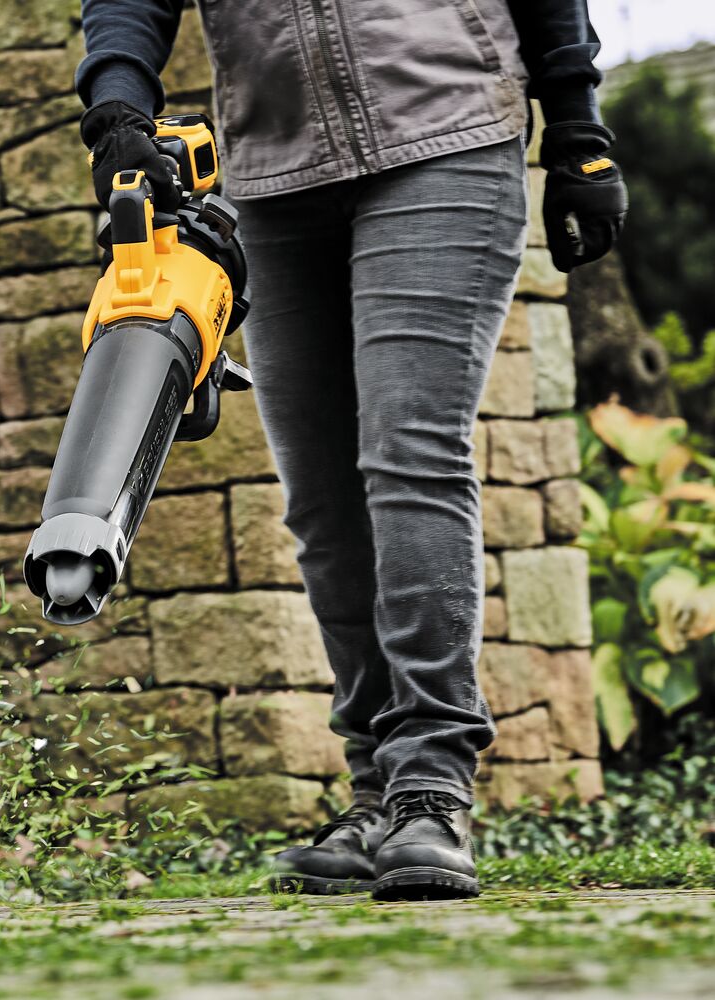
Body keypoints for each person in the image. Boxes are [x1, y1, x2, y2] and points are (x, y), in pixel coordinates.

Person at [76, 0, 627, 900]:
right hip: (271, 170)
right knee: (322, 494)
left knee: (409, 454)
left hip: (443, 133)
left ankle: (430, 786)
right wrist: (116, 112)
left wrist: (578, 128)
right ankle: (377, 791)